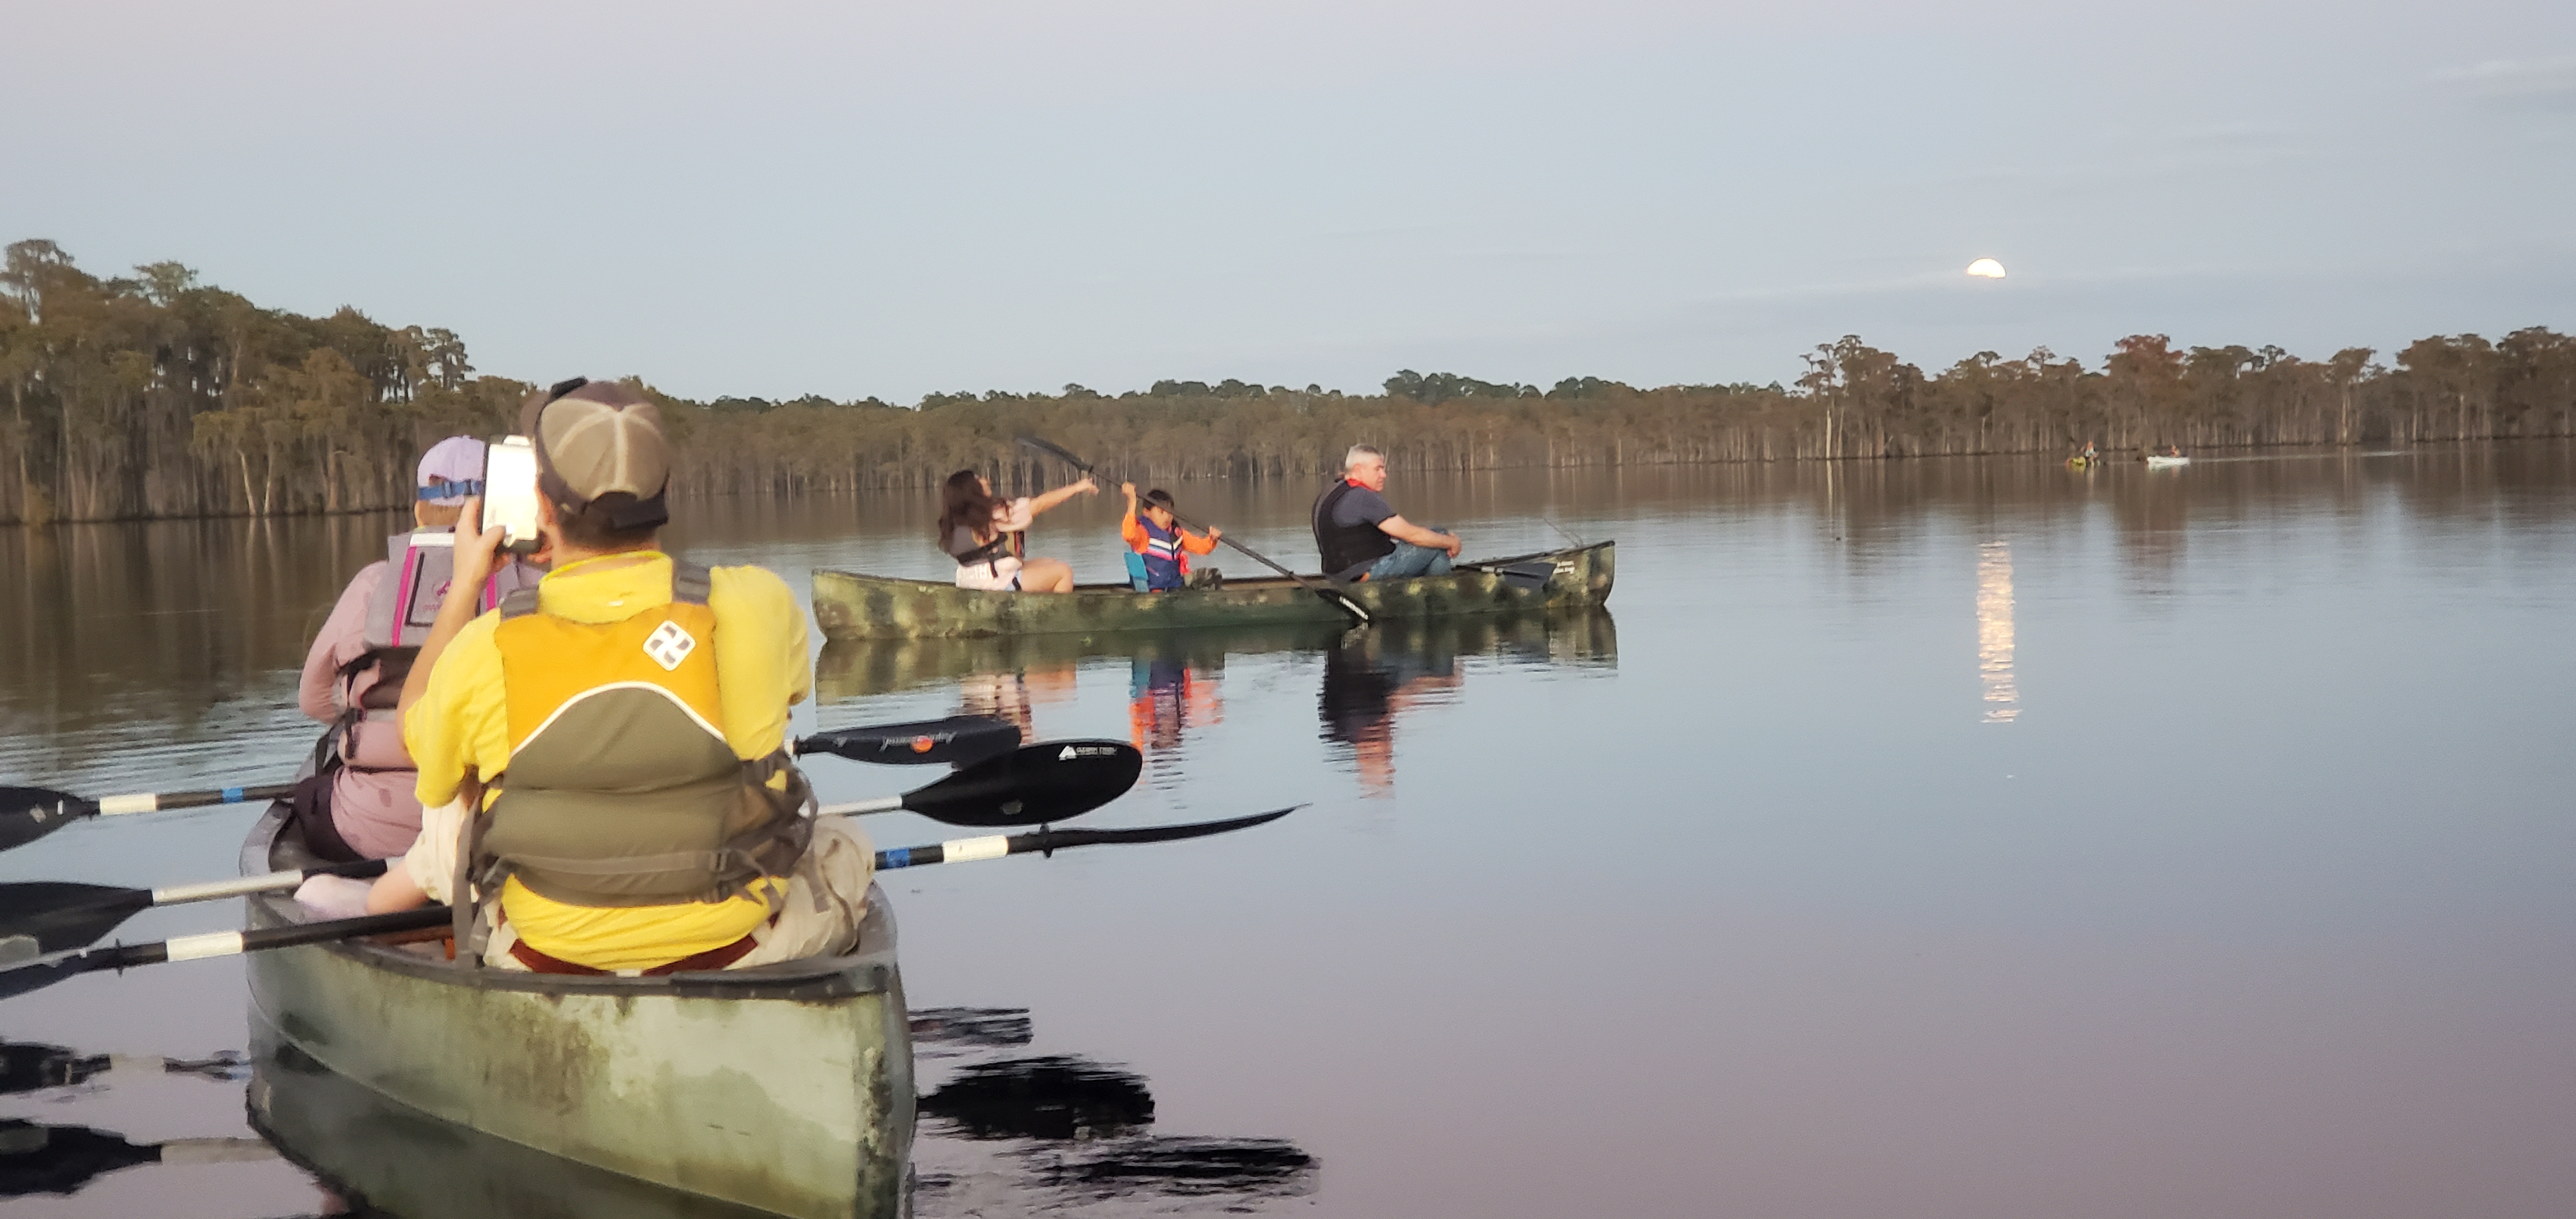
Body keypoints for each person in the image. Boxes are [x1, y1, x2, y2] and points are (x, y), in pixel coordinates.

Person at [321, 379, 871, 976]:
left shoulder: (486, 647)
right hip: (739, 949)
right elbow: (782, 704)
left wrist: (467, 585)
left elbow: (415, 736)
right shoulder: (759, 602)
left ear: (543, 507)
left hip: (547, 956)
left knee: (461, 798)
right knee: (844, 841)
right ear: (663, 492)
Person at [291, 436, 539, 861]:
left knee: (308, 798)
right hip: (500, 827)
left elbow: (315, 703)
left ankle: (368, 901)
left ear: (420, 509)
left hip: (373, 826)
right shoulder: (536, 586)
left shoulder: (373, 582)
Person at [1311, 445, 1461, 582]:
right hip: (1365, 577)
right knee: (1440, 537)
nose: (1384, 475)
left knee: (1435, 538)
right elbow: (1411, 535)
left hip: (1336, 577)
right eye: (1378, 469)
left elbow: (1396, 532)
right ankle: (1439, 596)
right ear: (1358, 470)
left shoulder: (1330, 492)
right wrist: (1452, 542)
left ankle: (1429, 590)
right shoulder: (1362, 496)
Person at [938, 469, 1097, 592]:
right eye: (979, 479)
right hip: (996, 583)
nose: (986, 480)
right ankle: (1056, 617)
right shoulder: (997, 515)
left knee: (1050, 563)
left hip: (967, 581)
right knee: (1064, 571)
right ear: (972, 490)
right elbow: (1040, 504)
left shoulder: (954, 521)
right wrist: (1077, 487)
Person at [1118, 482, 1220, 592]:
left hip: (1175, 585)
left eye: (1170, 512)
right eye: (1161, 512)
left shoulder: (1177, 534)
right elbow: (1128, 535)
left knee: (1213, 575)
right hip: (1153, 590)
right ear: (1147, 512)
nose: (1167, 517)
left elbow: (1201, 547)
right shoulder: (1143, 533)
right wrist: (1132, 502)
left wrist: (1212, 539)